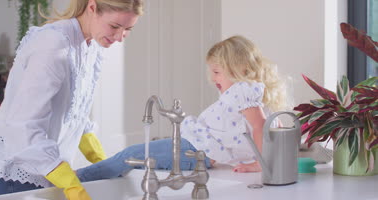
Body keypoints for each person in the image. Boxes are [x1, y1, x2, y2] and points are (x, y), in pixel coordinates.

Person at [0, 0, 143, 200]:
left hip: (46, 171)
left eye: (128, 29)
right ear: (92, 8)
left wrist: (99, 158)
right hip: (13, 175)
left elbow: (74, 110)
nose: (119, 37)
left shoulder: (91, 45)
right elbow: (23, 128)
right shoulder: (53, 46)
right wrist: (70, 183)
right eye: (115, 26)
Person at [76, 35, 287, 182]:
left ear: (240, 69)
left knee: (130, 155)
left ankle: (72, 180)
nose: (213, 78)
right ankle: (76, 179)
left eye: (217, 71)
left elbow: (260, 127)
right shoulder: (249, 94)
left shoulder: (243, 90)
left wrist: (260, 164)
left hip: (195, 151)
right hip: (196, 149)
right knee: (131, 157)